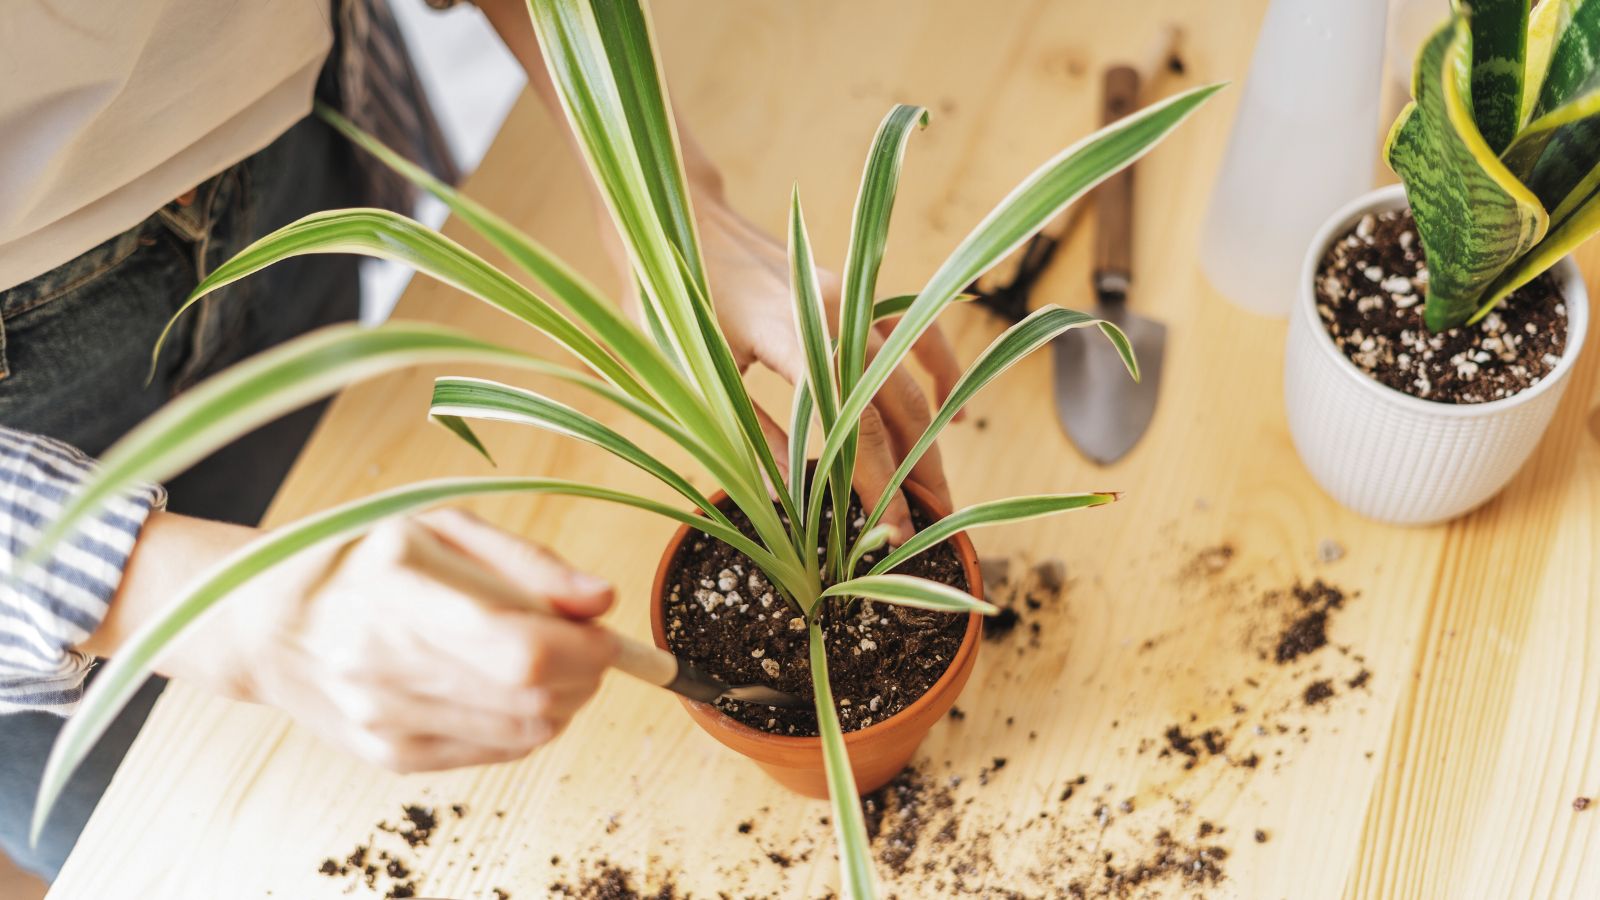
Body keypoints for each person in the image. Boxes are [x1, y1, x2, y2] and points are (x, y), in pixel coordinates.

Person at [0, 0, 963, 881]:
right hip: (29, 488)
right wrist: (218, 613)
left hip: (292, 154)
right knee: (177, 842)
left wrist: (658, 196)